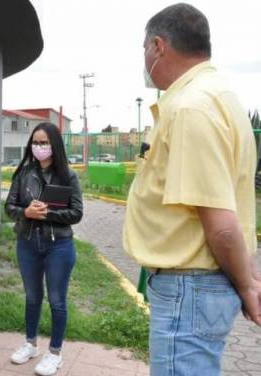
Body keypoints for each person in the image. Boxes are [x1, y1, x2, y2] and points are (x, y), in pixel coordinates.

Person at [123, 3, 261, 375]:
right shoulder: (219, 97)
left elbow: (221, 223)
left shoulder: (191, 107)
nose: (144, 58)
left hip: (189, 287)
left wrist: (248, 287)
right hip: (198, 286)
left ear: (158, 46)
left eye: (143, 48)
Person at [5, 122, 83, 376]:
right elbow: (10, 206)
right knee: (32, 297)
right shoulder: (24, 173)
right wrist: (26, 213)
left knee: (57, 300)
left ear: (54, 145)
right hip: (27, 243)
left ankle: (55, 353)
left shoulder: (67, 176)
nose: (39, 147)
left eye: (44, 143)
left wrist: (47, 213)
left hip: (58, 246)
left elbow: (76, 213)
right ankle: (30, 344)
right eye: (35, 143)